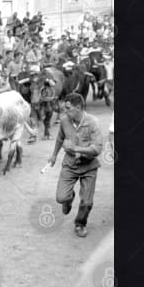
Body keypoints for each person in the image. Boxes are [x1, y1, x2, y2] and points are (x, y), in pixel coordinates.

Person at [47, 93, 104, 238]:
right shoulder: (65, 120)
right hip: (70, 165)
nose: (65, 111)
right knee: (61, 198)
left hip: (89, 167)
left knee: (87, 202)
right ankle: (69, 198)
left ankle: (80, 224)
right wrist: (53, 155)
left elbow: (97, 149)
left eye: (68, 108)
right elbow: (60, 138)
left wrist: (76, 149)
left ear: (78, 108)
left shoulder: (93, 122)